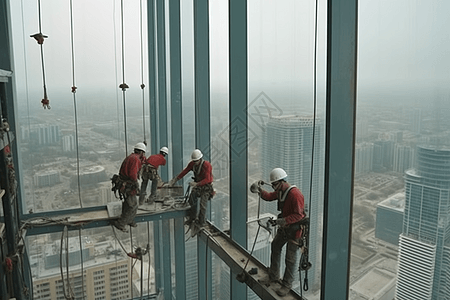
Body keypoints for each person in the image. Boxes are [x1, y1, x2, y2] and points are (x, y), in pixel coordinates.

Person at [251, 167, 306, 297]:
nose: (273, 186)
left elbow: (299, 215)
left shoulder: (295, 194)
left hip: (296, 230)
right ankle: (274, 276)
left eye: (275, 184)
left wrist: (281, 221)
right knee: (275, 246)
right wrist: (260, 191)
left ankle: (286, 285)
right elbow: (270, 196)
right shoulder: (282, 191)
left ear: (281, 182)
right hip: (287, 227)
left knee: (290, 258)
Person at [168, 149, 214, 227]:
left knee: (203, 205)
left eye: (196, 161)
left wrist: (196, 184)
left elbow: (208, 179)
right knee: (191, 201)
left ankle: (201, 222)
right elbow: (185, 171)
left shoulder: (206, 165)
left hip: (206, 187)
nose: (195, 163)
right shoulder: (192, 164)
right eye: (194, 161)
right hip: (198, 186)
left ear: (200, 159)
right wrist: (176, 179)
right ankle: (192, 218)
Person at [112, 142, 146, 232]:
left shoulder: (132, 157)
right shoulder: (135, 159)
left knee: (128, 204)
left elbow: (142, 162)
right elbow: (132, 174)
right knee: (133, 205)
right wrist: (136, 182)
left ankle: (129, 220)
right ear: (142, 152)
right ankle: (121, 223)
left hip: (124, 184)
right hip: (128, 185)